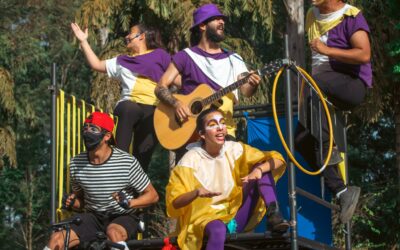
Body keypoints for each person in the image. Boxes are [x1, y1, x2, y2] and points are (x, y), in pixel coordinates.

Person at [166, 108, 289, 250]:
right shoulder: (190, 160)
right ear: (202, 134)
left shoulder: (234, 149)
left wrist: (258, 170)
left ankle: (274, 214)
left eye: (222, 123)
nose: (220, 128)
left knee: (262, 165)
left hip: (234, 215)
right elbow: (175, 203)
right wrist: (196, 193)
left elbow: (278, 159)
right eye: (212, 124)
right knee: (218, 230)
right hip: (204, 219)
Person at [295, 0, 372, 224]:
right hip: (320, 88)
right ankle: (342, 191)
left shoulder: (351, 16)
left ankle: (329, 147)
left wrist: (327, 50)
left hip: (352, 85)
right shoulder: (312, 14)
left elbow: (364, 54)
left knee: (315, 81)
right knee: (300, 140)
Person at [155, 3, 261, 156]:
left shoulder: (234, 59)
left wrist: (253, 84)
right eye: (216, 19)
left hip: (223, 132)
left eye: (222, 19)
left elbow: (246, 91)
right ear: (202, 26)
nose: (222, 22)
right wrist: (176, 103)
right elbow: (160, 87)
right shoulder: (186, 56)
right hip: (189, 132)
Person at [44, 112, 159, 250]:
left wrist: (129, 203)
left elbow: (153, 195)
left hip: (123, 216)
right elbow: (81, 202)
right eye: (85, 128)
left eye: (93, 129)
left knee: (113, 234)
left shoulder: (126, 162)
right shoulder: (76, 163)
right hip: (93, 217)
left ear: (107, 136)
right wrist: (73, 202)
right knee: (56, 239)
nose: (87, 132)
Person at [71, 22, 171, 172]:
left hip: (154, 110)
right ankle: (119, 161)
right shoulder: (122, 61)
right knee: (129, 109)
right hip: (129, 105)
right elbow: (96, 64)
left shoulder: (160, 55)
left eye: (130, 33)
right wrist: (83, 41)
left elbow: (178, 79)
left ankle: (133, 186)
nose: (127, 36)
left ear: (141, 36)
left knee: (142, 159)